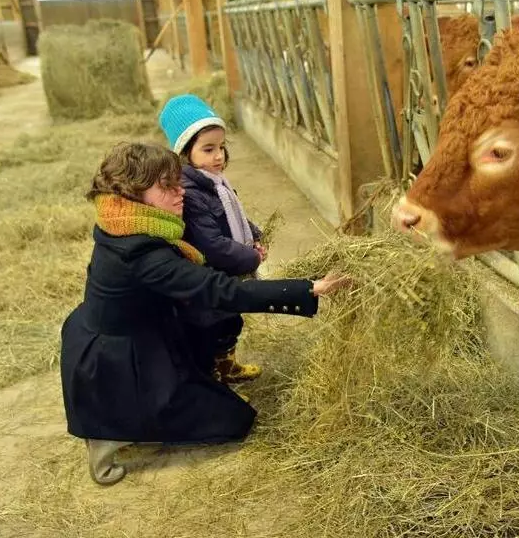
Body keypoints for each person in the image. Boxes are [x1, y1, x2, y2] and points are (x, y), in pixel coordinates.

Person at [60, 142, 346, 486]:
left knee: (206, 345)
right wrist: (307, 288)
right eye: (167, 186)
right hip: (120, 361)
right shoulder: (142, 252)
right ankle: (109, 433)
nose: (181, 192)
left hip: (128, 329)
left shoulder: (120, 219)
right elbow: (222, 291)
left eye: (177, 181)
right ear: (133, 191)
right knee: (234, 420)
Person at [158, 94, 264, 386]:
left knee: (231, 322)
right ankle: (214, 382)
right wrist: (252, 257)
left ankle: (226, 366)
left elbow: (235, 216)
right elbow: (212, 246)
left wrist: (254, 236)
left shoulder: (216, 183)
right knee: (212, 329)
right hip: (208, 280)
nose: (218, 156)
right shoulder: (190, 193)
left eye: (221, 147)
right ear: (185, 152)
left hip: (225, 272)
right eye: (208, 149)